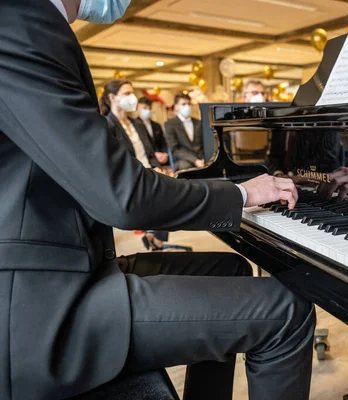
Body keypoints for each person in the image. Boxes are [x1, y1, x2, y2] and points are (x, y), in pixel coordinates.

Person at [0, 2, 315, 400]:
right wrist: (242, 193)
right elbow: (122, 195)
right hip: (34, 310)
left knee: (230, 267)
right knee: (288, 312)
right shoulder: (18, 18)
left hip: (67, 270)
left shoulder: (28, 21)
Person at [101, 79, 164, 172]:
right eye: (127, 93)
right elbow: (113, 161)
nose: (132, 97)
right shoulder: (107, 125)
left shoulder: (138, 124)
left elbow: (150, 154)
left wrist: (156, 167)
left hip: (150, 174)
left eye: (132, 93)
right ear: (112, 97)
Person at [165, 93, 205, 171]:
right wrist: (195, 160)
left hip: (201, 158)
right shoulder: (170, 124)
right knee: (186, 166)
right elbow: (175, 149)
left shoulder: (198, 123)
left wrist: (203, 158)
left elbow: (204, 144)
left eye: (188, 104)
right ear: (176, 107)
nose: (187, 106)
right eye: (183, 104)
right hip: (183, 160)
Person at [137, 96, 169, 166]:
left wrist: (165, 154)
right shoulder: (135, 125)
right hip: (145, 160)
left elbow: (163, 142)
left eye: (149, 108)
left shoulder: (156, 125)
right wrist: (154, 155)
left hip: (161, 159)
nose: (148, 110)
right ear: (137, 108)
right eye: (144, 108)